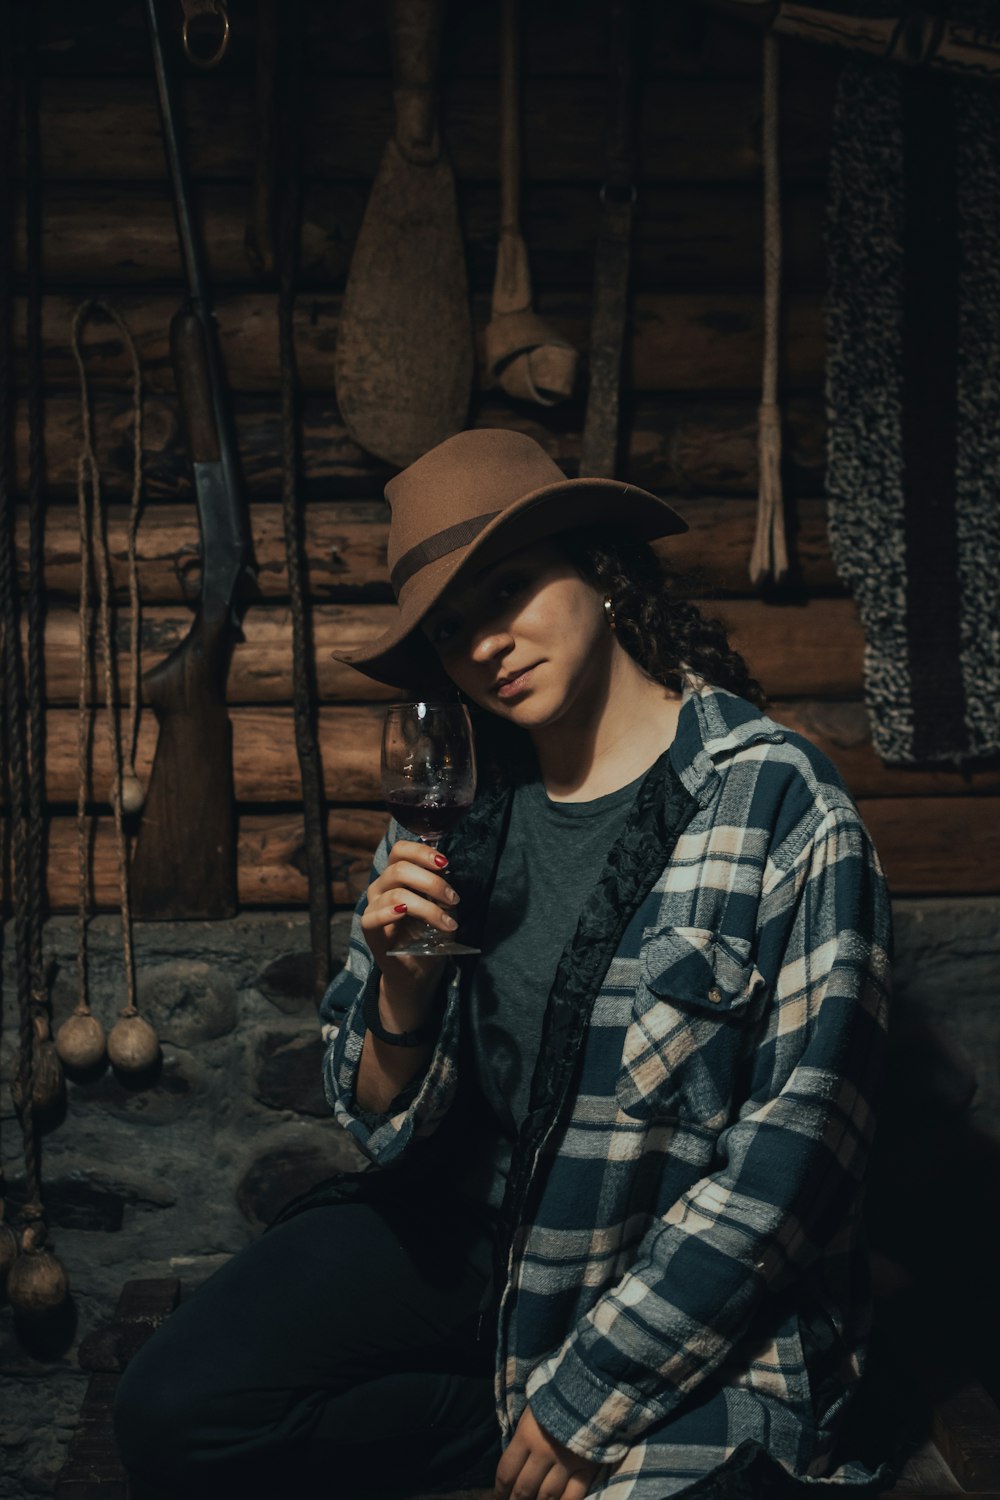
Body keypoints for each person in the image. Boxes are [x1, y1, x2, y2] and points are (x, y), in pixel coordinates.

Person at [114, 428, 892, 1500]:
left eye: (510, 590)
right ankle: (497, 1429)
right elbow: (376, 1118)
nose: (484, 643)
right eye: (449, 629)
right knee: (173, 1411)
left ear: (602, 575)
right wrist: (401, 989)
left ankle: (570, 1432)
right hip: (480, 1232)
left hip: (675, 1267)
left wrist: (590, 1401)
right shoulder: (450, 805)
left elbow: (796, 1159)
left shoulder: (773, 802)